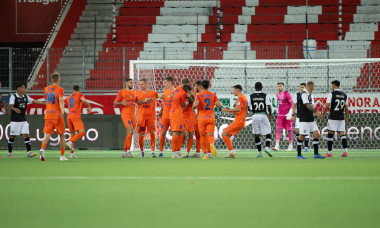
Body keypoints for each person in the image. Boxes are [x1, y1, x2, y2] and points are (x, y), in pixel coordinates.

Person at [7, 84, 45, 158]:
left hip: (23, 120)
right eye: (23, 88)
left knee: (26, 135)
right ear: (18, 89)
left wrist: (44, 103)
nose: (25, 89)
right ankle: (10, 153)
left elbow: (34, 101)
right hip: (15, 120)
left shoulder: (25, 96)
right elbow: (10, 105)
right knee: (12, 136)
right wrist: (15, 109)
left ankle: (29, 152)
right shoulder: (13, 96)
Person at [40, 72, 67, 161]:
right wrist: (63, 111)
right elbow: (60, 101)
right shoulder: (60, 89)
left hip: (48, 115)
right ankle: (62, 156)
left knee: (47, 135)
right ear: (59, 80)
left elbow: (46, 100)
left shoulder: (46, 89)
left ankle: (42, 150)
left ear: (51, 80)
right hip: (57, 115)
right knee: (62, 135)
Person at [192, 80, 222, 160]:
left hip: (202, 118)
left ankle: (205, 154)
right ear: (209, 86)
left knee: (202, 136)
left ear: (201, 86)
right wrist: (214, 103)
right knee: (210, 135)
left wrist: (193, 108)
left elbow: (196, 104)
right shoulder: (213, 95)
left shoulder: (199, 95)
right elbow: (219, 105)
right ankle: (211, 145)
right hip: (211, 118)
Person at [296, 81, 325, 159]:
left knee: (317, 134)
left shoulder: (309, 95)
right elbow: (308, 106)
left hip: (311, 119)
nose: (313, 89)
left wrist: (313, 114)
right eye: (312, 88)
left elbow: (310, 106)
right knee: (302, 136)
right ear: (310, 87)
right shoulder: (304, 94)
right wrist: (317, 112)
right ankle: (299, 155)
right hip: (304, 119)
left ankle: (316, 154)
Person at [322, 80, 349, 157]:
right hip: (341, 117)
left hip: (333, 117)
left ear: (333, 86)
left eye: (332, 85)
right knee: (342, 134)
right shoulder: (344, 95)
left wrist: (322, 114)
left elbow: (327, 106)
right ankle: (345, 152)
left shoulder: (331, 94)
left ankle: (329, 153)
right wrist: (346, 118)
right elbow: (346, 108)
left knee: (330, 134)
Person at [64, 85, 92, 158]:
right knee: (82, 132)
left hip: (69, 117)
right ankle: (70, 142)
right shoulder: (80, 94)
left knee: (72, 135)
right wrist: (89, 106)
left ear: (72, 90)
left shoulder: (68, 97)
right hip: (75, 116)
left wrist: (63, 111)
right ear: (79, 90)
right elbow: (84, 100)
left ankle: (71, 154)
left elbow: (62, 105)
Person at [222, 85, 248, 158]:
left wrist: (227, 110)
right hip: (241, 121)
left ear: (237, 90)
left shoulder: (241, 98)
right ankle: (231, 152)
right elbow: (241, 110)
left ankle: (231, 151)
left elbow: (238, 109)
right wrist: (232, 111)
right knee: (227, 135)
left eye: (233, 90)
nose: (233, 92)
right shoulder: (244, 98)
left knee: (223, 134)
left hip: (238, 121)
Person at [248, 82, 273, 157]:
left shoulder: (251, 96)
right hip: (263, 115)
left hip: (255, 116)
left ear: (255, 88)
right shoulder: (265, 95)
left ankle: (260, 152)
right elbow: (268, 106)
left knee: (256, 134)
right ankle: (267, 147)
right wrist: (270, 114)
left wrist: (252, 111)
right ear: (262, 87)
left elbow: (247, 107)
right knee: (268, 132)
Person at [136, 78, 158, 157]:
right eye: (140, 84)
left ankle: (152, 151)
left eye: (142, 84)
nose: (140, 86)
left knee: (152, 133)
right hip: (141, 118)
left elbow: (162, 96)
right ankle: (142, 151)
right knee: (141, 135)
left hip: (151, 117)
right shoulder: (137, 94)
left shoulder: (153, 93)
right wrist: (146, 101)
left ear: (146, 84)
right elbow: (137, 102)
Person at [114, 78, 136, 158]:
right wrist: (121, 103)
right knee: (130, 130)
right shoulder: (121, 92)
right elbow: (115, 103)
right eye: (130, 83)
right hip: (126, 115)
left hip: (133, 115)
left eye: (132, 83)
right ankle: (129, 151)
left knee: (129, 133)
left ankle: (124, 152)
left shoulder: (134, 92)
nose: (132, 84)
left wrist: (145, 101)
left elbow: (137, 101)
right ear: (126, 83)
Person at [170, 78, 191, 158]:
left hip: (175, 113)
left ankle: (177, 151)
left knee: (180, 133)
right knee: (176, 133)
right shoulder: (182, 93)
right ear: (186, 84)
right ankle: (174, 153)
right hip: (176, 114)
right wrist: (186, 103)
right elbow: (182, 105)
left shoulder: (175, 89)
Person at [273, 82, 294, 151]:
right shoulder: (277, 94)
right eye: (278, 86)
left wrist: (290, 113)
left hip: (287, 115)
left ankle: (290, 145)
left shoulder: (286, 94)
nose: (279, 87)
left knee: (289, 130)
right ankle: (277, 146)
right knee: (278, 129)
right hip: (280, 115)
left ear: (284, 87)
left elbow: (292, 103)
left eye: (280, 86)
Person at [158, 77, 174, 158]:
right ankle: (161, 151)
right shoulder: (165, 91)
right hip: (165, 116)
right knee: (163, 133)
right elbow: (164, 103)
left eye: (165, 82)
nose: (164, 84)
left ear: (170, 82)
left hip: (173, 116)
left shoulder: (175, 91)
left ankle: (174, 151)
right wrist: (161, 111)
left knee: (175, 134)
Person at [292, 83, 310, 152]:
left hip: (306, 116)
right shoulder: (297, 95)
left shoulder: (309, 95)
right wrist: (293, 115)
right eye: (300, 87)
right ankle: (299, 145)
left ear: (305, 88)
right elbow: (294, 105)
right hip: (299, 116)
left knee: (306, 131)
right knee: (297, 131)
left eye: (302, 87)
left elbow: (312, 106)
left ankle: (305, 146)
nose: (301, 88)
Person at [183, 88, 197, 157]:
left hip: (191, 116)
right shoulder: (181, 93)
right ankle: (177, 150)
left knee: (191, 134)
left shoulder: (193, 92)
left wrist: (190, 97)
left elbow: (195, 103)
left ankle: (187, 152)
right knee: (184, 134)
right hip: (183, 116)